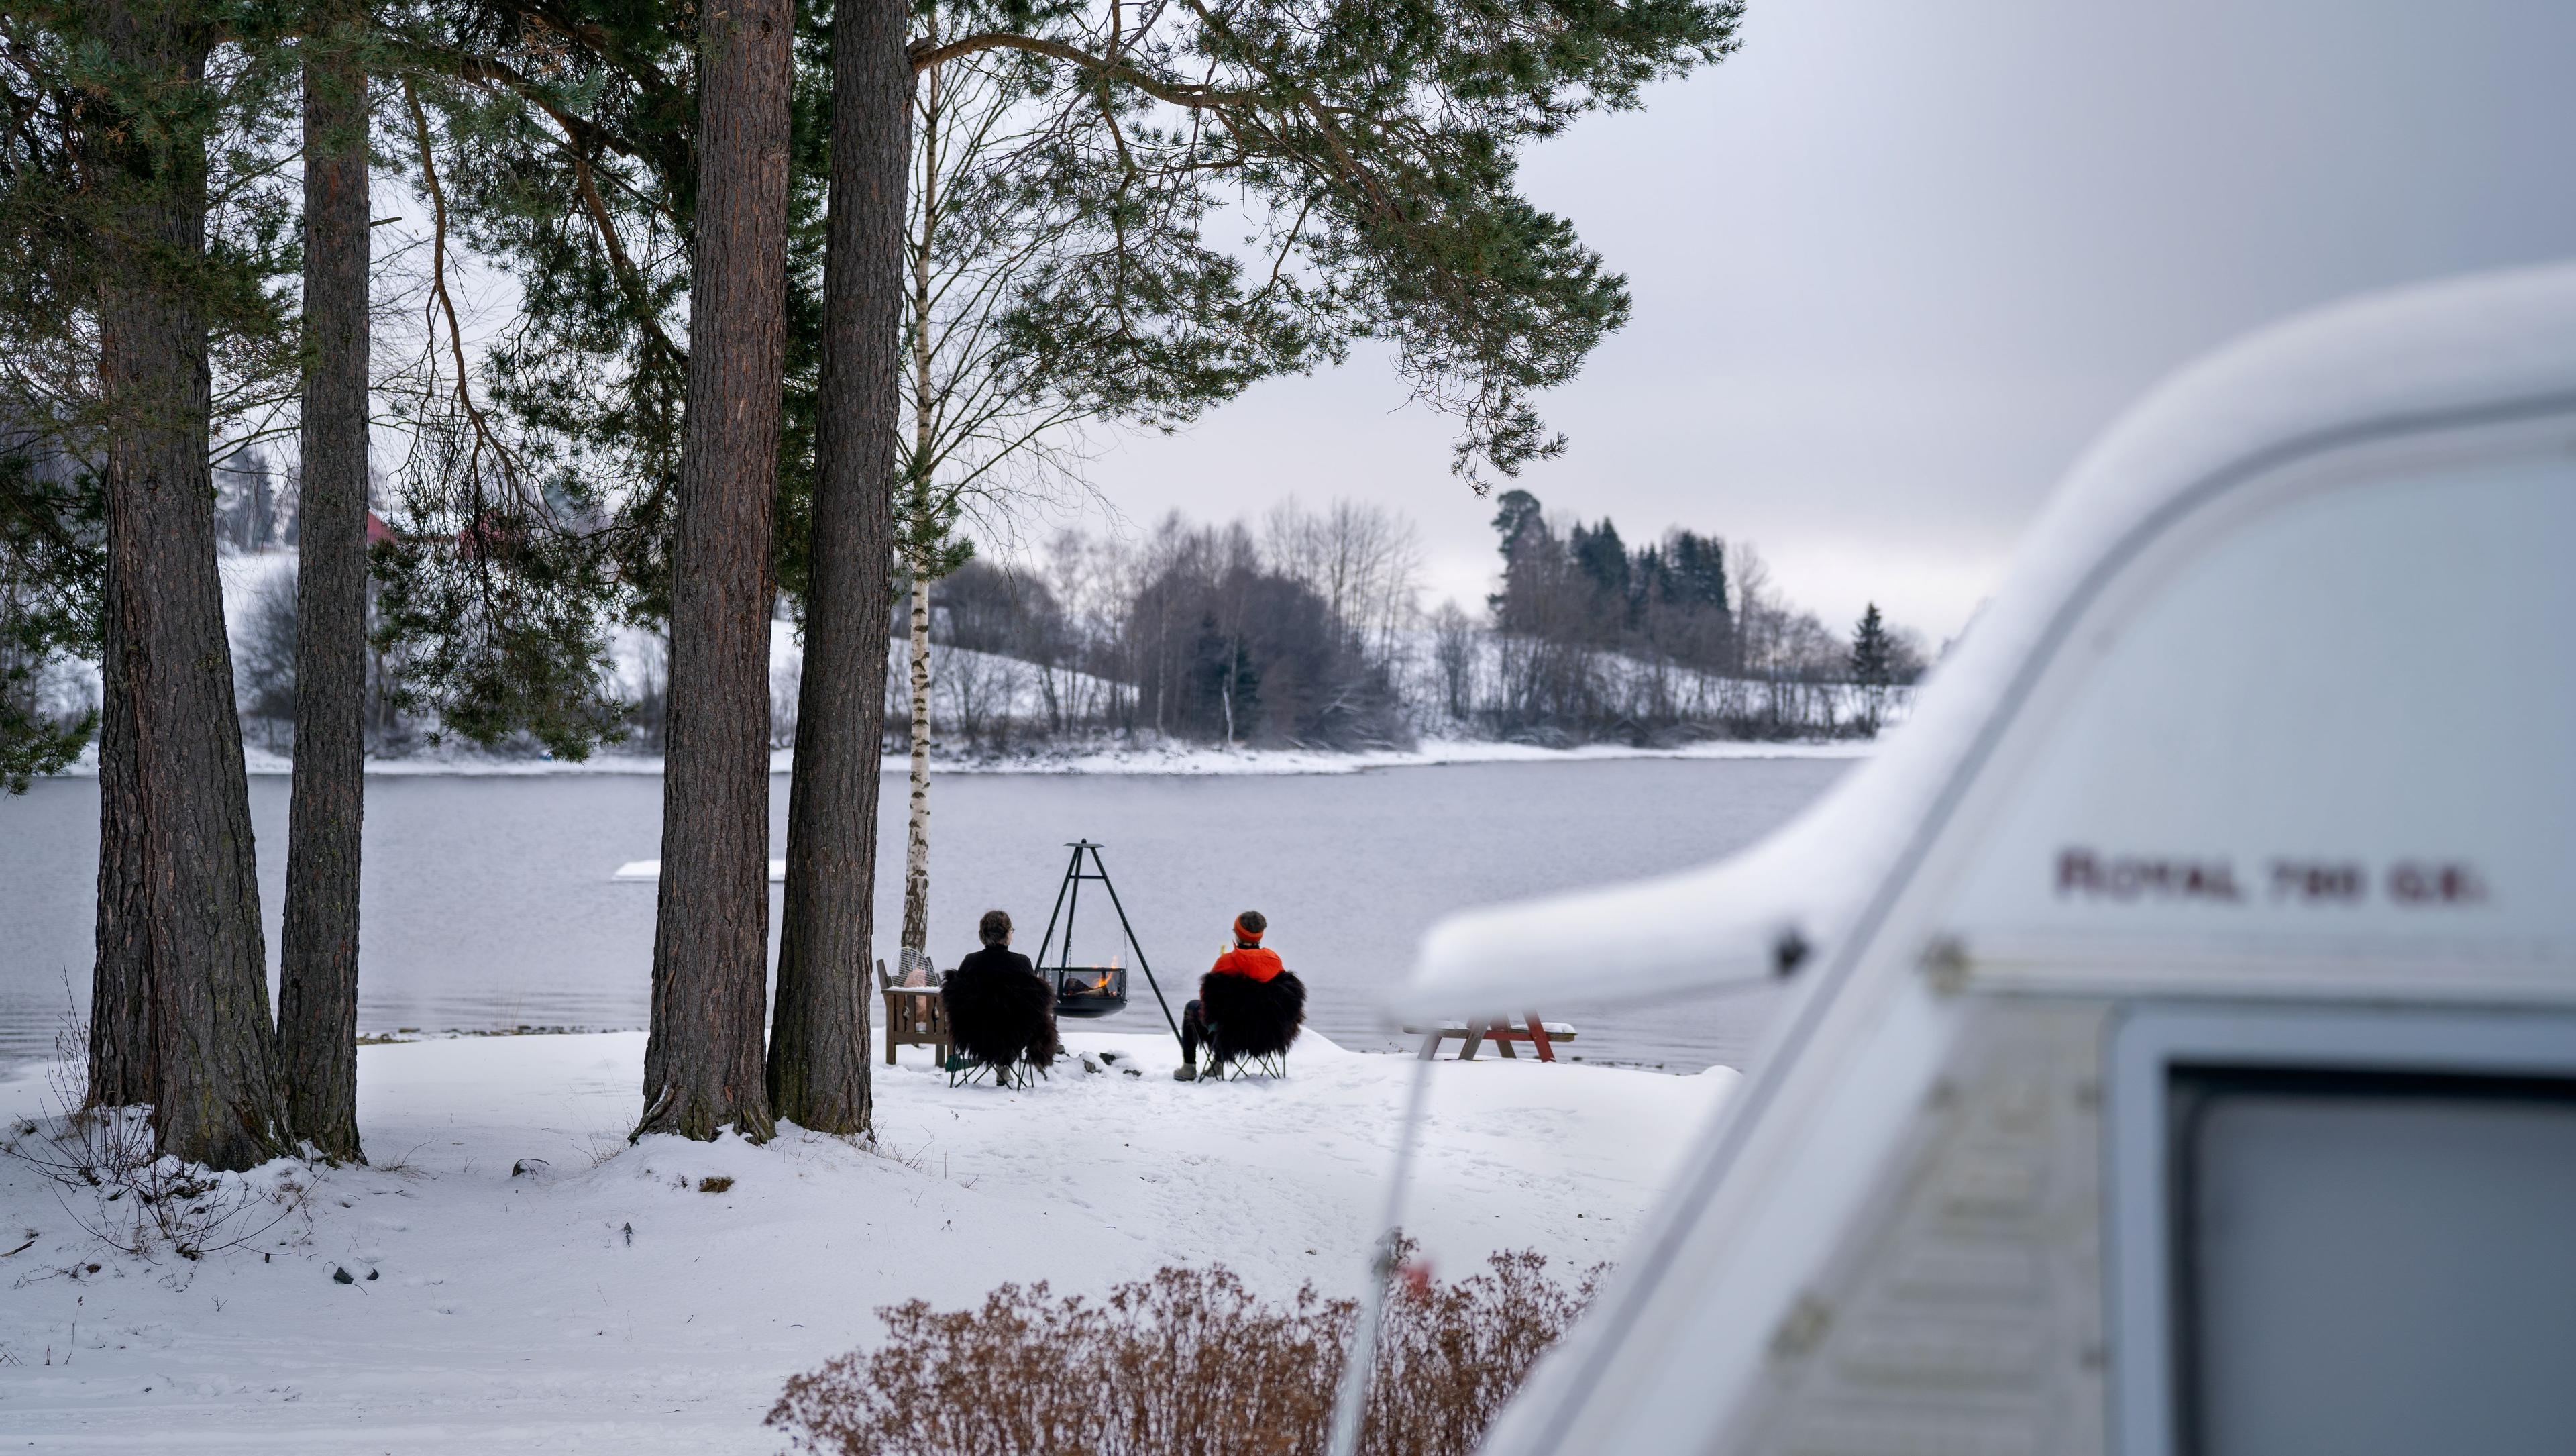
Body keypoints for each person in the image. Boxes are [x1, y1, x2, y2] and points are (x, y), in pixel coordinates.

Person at [943, 909, 1059, 1076]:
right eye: (1011, 931)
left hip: (974, 1035)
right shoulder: (1022, 962)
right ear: (1006, 934)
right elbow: (1035, 1004)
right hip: (1014, 1037)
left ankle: (994, 1061)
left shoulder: (970, 962)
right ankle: (1011, 1064)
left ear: (983, 935)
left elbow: (955, 1000)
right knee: (1036, 1016)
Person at [1175, 911, 1283, 1080]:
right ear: (1260, 934)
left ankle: (1189, 1067)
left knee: (1194, 1007)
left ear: (1238, 934)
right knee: (1236, 1013)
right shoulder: (1274, 960)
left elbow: (1208, 1000)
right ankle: (1217, 1063)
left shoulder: (1227, 962)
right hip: (1268, 1033)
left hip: (1231, 1033)